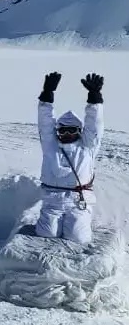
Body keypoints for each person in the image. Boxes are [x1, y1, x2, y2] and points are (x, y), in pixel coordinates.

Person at [34, 72, 104, 245]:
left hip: (78, 201)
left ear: (79, 131)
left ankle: (82, 222)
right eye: (63, 131)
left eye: (71, 130)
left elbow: (94, 126)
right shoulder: (51, 145)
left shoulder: (87, 147)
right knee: (46, 234)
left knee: (78, 238)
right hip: (53, 200)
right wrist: (47, 96)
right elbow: (45, 124)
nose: (67, 134)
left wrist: (94, 99)